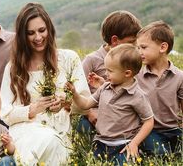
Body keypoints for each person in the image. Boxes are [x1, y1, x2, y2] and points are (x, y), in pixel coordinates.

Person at [0, 2, 90, 165]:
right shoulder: (13, 68)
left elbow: (85, 104)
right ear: (22, 36)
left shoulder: (69, 59)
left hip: (60, 134)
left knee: (52, 142)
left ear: (49, 29)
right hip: (26, 133)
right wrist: (31, 110)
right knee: (47, 140)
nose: (38, 37)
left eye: (42, 30)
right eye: (30, 33)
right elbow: (5, 112)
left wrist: (65, 103)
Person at [66, 44, 154, 165]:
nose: (106, 74)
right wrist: (74, 93)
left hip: (124, 145)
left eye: (110, 71)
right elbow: (85, 104)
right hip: (101, 143)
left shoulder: (138, 96)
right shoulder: (105, 88)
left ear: (127, 73)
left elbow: (149, 121)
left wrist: (134, 143)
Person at [78, 10, 142, 134]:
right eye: (131, 42)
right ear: (114, 40)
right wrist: (89, 113)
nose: (135, 46)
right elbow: (78, 90)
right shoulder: (92, 60)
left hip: (123, 113)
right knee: (83, 127)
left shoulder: (131, 59)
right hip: (96, 113)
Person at [136, 21, 183, 155]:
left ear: (163, 47)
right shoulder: (136, 76)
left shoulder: (179, 76)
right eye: (138, 48)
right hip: (149, 131)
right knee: (162, 155)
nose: (139, 52)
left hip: (174, 129)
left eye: (144, 47)